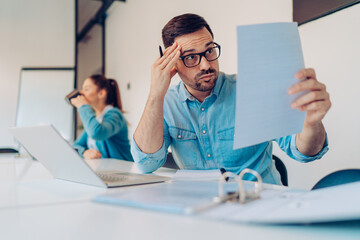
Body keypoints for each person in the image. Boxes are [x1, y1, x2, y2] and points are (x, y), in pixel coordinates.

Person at [131, 13, 331, 184]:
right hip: (202, 208)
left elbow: (304, 152)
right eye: (191, 57)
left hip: (259, 203)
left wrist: (312, 123)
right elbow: (146, 164)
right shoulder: (167, 103)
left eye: (209, 51)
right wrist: (155, 93)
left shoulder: (250, 89)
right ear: (171, 63)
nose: (205, 65)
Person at [71, 74, 133, 161]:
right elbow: (76, 145)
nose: (81, 93)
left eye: (86, 89)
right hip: (105, 171)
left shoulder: (115, 115)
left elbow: (97, 133)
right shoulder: (96, 119)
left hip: (122, 171)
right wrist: (84, 152)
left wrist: (83, 107)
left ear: (101, 93)